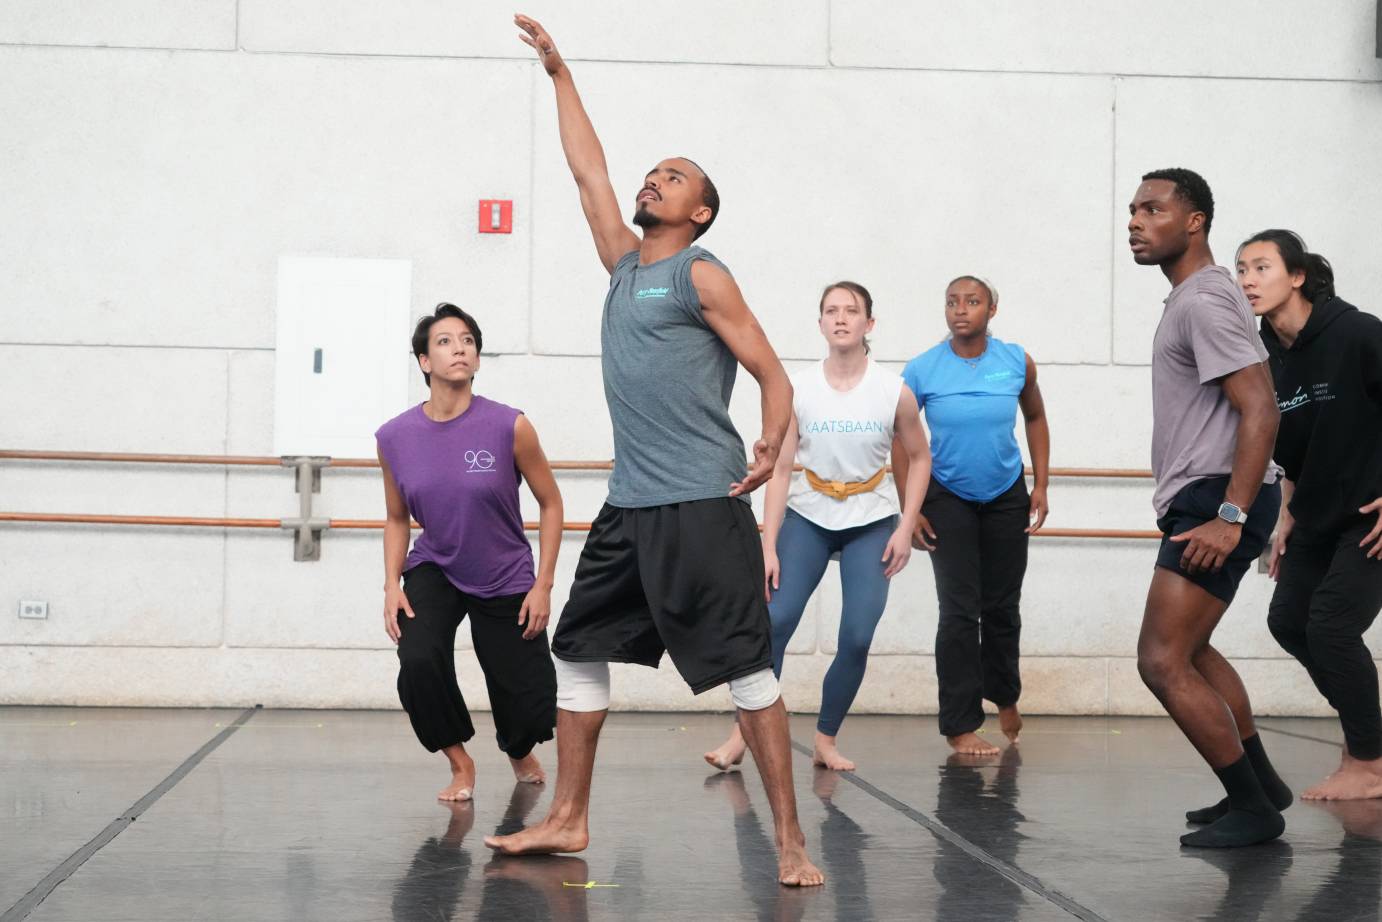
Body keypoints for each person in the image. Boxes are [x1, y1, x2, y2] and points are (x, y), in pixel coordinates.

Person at [484, 14, 823, 887]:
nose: (651, 180)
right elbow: (586, 170)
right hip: (630, 506)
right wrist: (559, 71)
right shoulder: (624, 265)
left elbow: (774, 374)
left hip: (703, 504)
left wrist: (770, 439)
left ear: (698, 211)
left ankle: (789, 838)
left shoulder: (699, 272)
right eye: (653, 173)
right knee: (574, 651)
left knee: (748, 670)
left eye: (671, 178)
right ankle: (567, 816)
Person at [703, 281, 931, 774]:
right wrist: (768, 545)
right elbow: (781, 471)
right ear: (821, 323)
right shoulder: (797, 388)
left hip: (870, 520)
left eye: (852, 311)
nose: (842, 318)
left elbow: (919, 457)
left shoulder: (894, 391)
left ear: (870, 324)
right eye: (832, 310)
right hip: (809, 516)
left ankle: (826, 739)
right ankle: (743, 733)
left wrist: (905, 525)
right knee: (775, 623)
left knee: (857, 634)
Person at [1128, 168, 1292, 848]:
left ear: (1194, 221)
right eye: (1132, 210)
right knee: (1191, 651)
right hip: (1210, 493)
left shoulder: (1203, 300)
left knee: (1161, 660)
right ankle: (1260, 787)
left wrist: (1230, 517)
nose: (1136, 221)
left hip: (1217, 496)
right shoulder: (1195, 298)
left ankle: (1255, 808)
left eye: (1153, 209)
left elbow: (1261, 407)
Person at [376, 303, 563, 802]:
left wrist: (542, 584)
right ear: (423, 361)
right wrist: (392, 584)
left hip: (503, 571)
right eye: (444, 341)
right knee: (417, 658)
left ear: (477, 359)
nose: (459, 348)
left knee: (524, 697)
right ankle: (460, 763)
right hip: (435, 564)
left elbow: (551, 503)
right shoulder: (394, 437)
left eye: (467, 341)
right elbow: (397, 517)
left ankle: (519, 748)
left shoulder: (510, 426)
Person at [1237, 228, 1382, 801]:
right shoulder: (1265, 353)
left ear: (1297, 276)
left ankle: (1368, 761)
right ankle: (1368, 738)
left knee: (1331, 627)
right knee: (1289, 622)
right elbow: (1290, 442)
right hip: (1316, 514)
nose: (1248, 279)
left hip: (1369, 517)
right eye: (1242, 269)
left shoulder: (1358, 333)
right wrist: (1287, 513)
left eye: (1262, 267)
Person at [893, 276, 1050, 757]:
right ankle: (960, 725)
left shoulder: (1015, 361)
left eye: (973, 301)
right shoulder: (922, 369)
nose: (961, 309)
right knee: (959, 611)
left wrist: (1041, 483)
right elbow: (900, 438)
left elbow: (1036, 418)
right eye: (952, 302)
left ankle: (1004, 695)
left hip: (1006, 494)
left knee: (1002, 606)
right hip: (947, 498)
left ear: (992, 309)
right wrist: (910, 509)